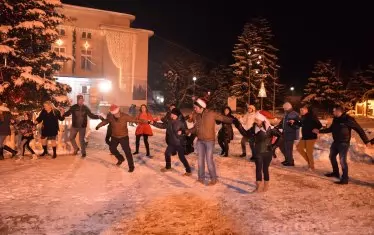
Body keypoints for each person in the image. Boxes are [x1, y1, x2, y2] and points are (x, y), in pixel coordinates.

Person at [317, 105, 370, 184]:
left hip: (344, 143)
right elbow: (330, 129)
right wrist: (319, 131)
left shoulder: (348, 119)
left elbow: (359, 129)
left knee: (342, 160)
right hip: (335, 142)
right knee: (331, 156)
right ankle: (336, 173)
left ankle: (345, 179)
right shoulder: (335, 119)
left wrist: (366, 141)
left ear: (339, 111)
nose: (333, 112)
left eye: (334, 111)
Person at [186, 98, 233, 186]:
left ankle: (213, 179)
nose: (194, 109)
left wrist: (232, 120)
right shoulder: (197, 116)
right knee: (200, 161)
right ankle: (201, 178)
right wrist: (187, 131)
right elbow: (196, 128)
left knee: (209, 160)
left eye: (196, 107)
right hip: (200, 141)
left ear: (201, 107)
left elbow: (222, 118)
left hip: (209, 141)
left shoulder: (211, 114)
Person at [235, 112, 281, 192]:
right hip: (258, 151)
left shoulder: (270, 128)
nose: (256, 121)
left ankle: (266, 185)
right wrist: (239, 126)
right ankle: (258, 187)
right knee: (258, 168)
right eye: (255, 119)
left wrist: (273, 146)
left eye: (257, 119)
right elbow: (246, 134)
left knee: (265, 169)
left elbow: (280, 136)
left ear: (262, 119)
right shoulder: (253, 128)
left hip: (268, 152)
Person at [96, 104, 147, 172]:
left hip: (124, 137)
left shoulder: (124, 116)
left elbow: (135, 119)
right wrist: (99, 126)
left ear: (118, 111)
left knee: (127, 152)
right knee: (112, 149)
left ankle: (131, 166)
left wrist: (145, 121)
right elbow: (105, 121)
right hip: (114, 137)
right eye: (113, 113)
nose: (115, 115)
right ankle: (120, 158)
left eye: (116, 113)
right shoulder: (111, 116)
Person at [152, 108, 192, 175]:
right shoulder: (170, 121)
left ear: (177, 115)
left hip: (180, 143)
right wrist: (154, 123)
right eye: (171, 114)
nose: (172, 115)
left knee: (181, 157)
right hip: (172, 143)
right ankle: (168, 167)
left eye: (173, 114)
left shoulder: (182, 122)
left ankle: (188, 170)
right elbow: (163, 125)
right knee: (167, 154)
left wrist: (182, 132)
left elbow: (187, 132)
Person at [291, 105, 322, 170]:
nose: (301, 111)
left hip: (311, 136)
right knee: (299, 148)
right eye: (300, 110)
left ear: (306, 110)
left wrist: (316, 129)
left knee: (308, 152)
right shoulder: (303, 116)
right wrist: (294, 122)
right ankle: (309, 163)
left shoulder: (312, 116)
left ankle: (311, 166)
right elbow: (301, 124)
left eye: (302, 110)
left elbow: (319, 125)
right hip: (305, 136)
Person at [277, 102, 300, 166]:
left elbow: (296, 125)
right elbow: (283, 122)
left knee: (288, 148)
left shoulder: (294, 114)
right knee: (282, 146)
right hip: (285, 133)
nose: (284, 110)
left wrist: (290, 126)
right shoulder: (287, 114)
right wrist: (278, 126)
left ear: (287, 108)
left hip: (290, 134)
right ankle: (288, 159)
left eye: (284, 108)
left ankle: (290, 162)